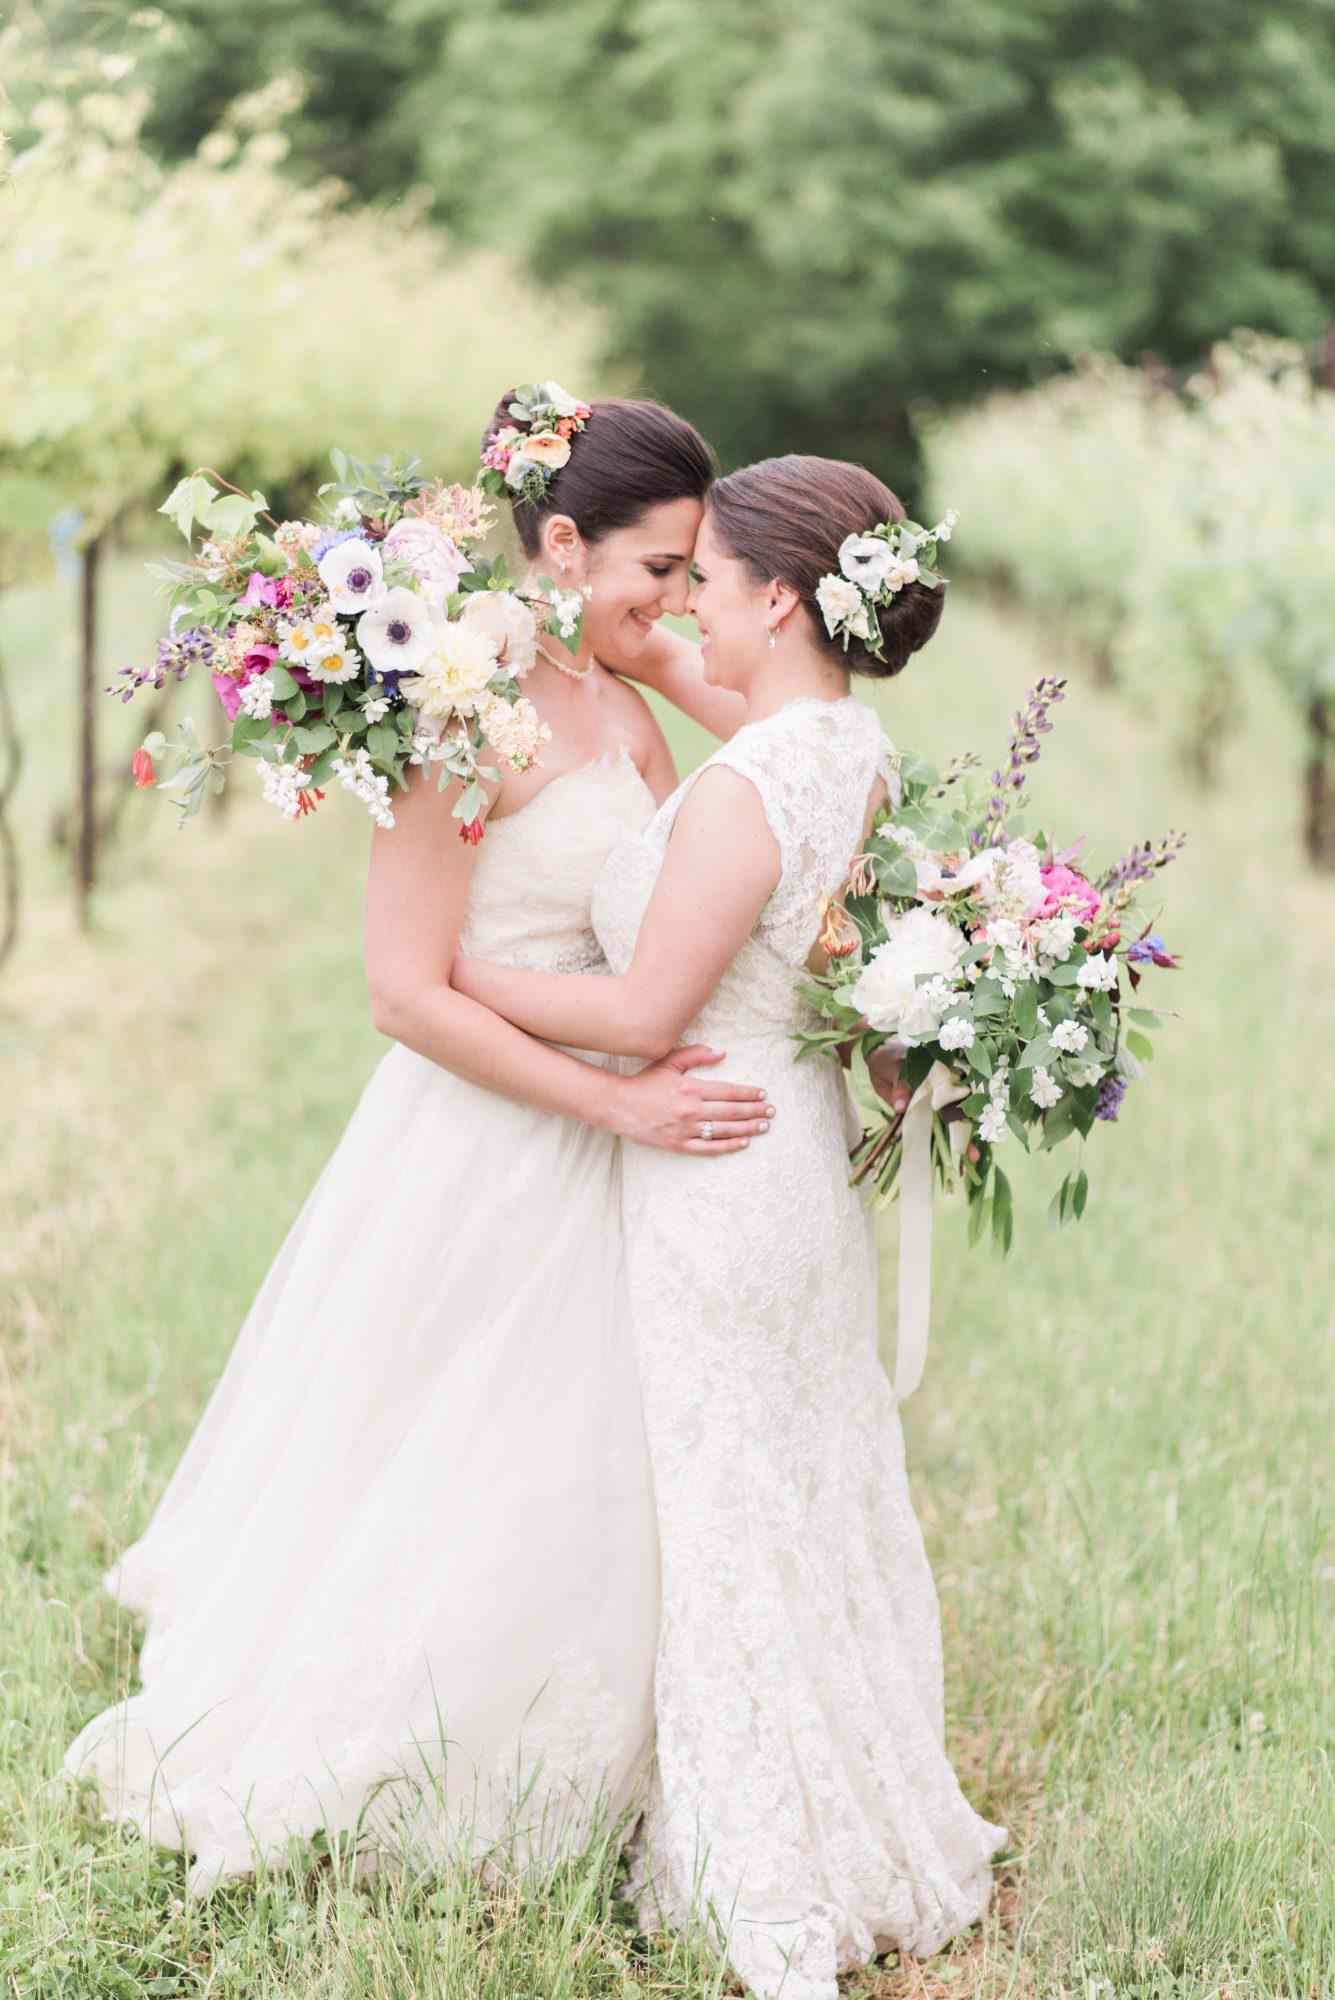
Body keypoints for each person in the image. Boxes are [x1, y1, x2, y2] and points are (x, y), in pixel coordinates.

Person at [63, 393, 775, 1895]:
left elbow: (794, 751)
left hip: (622, 1143)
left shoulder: (623, 697)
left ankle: (635, 1766)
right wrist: (618, 1100)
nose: (679, 602)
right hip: (498, 1141)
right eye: (659, 569)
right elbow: (403, 993)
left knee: (616, 1466)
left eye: (690, 572)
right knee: (485, 1457)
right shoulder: (461, 703)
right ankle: (444, 1765)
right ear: (562, 540)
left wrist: (641, 647)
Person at [453, 454, 1008, 1999]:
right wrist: (568, 616)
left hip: (716, 1165)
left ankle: (767, 1860)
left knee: (730, 1511)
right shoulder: (845, 744)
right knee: (800, 1483)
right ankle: (862, 1803)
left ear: (778, 597)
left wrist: (455, 982)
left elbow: (639, 1012)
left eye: (710, 574)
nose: (685, 593)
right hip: (790, 1172)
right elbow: (702, 690)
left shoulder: (751, 793)